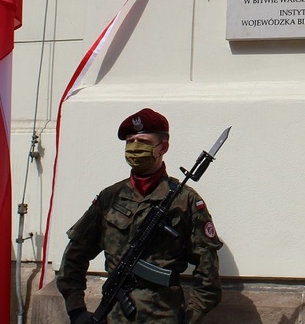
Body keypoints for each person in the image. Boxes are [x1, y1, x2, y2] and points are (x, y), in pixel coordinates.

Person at [57, 108, 223, 324]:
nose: (134, 148)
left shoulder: (185, 201)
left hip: (164, 316)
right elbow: (75, 254)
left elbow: (207, 271)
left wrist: (192, 317)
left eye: (142, 141)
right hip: (113, 316)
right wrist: (76, 309)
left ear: (163, 147)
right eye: (130, 141)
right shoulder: (110, 198)